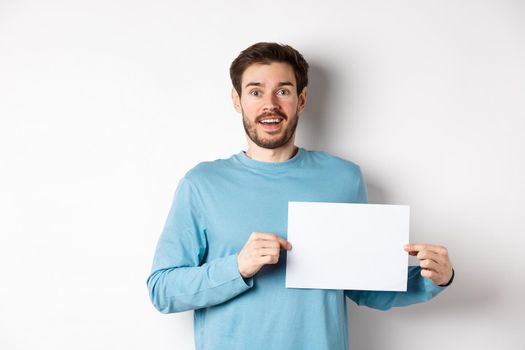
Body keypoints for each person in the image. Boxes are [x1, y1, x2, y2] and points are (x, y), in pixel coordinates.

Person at [146, 42, 454, 350]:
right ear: (237, 100)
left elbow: (365, 286)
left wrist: (433, 279)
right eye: (255, 92)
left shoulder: (342, 178)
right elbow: (163, 290)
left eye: (283, 91)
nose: (270, 104)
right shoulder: (201, 184)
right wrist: (237, 267)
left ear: (301, 99)